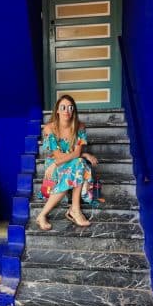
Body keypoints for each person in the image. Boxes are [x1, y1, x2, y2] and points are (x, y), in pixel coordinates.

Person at [36, 94, 98, 230]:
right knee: (79, 164)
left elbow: (76, 153)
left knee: (79, 164)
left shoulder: (80, 127)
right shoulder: (49, 128)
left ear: (73, 111)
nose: (66, 111)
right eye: (63, 107)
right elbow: (57, 157)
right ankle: (45, 214)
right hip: (54, 164)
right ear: (57, 110)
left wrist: (81, 154)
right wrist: (83, 154)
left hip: (65, 164)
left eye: (70, 108)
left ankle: (74, 209)